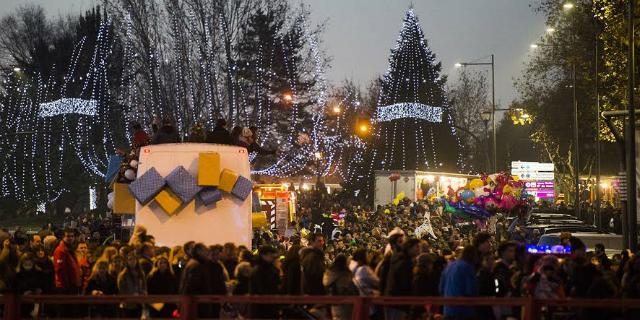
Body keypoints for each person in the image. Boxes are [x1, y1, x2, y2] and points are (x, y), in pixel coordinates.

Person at [440, 245, 479, 320]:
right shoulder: (467, 267)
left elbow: (441, 288)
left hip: (448, 309)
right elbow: (471, 290)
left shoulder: (449, 266)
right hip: (464, 310)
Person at [385, 238, 420, 320]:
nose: (419, 249)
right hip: (398, 303)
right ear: (409, 248)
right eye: (417, 247)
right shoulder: (405, 263)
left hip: (396, 303)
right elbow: (405, 284)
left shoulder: (401, 260)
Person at [249, 246, 281, 319]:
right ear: (263, 255)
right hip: (262, 307)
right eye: (271, 254)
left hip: (267, 306)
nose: (273, 256)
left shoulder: (270, 269)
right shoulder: (259, 270)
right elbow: (263, 289)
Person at [324, 254, 356, 320]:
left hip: (331, 301)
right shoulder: (344, 274)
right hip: (344, 302)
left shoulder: (329, 273)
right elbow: (345, 288)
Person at [118, 252, 147, 318]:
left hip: (139, 302)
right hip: (128, 304)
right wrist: (130, 295)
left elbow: (144, 287)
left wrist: (142, 294)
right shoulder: (123, 275)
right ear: (127, 261)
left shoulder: (141, 273)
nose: (132, 261)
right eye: (130, 259)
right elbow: (121, 289)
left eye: (134, 259)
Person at [53, 228, 82, 295]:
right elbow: (60, 270)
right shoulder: (60, 250)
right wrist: (67, 285)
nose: (70, 238)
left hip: (71, 285)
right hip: (65, 287)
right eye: (68, 236)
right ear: (63, 237)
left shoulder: (69, 249)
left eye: (72, 236)